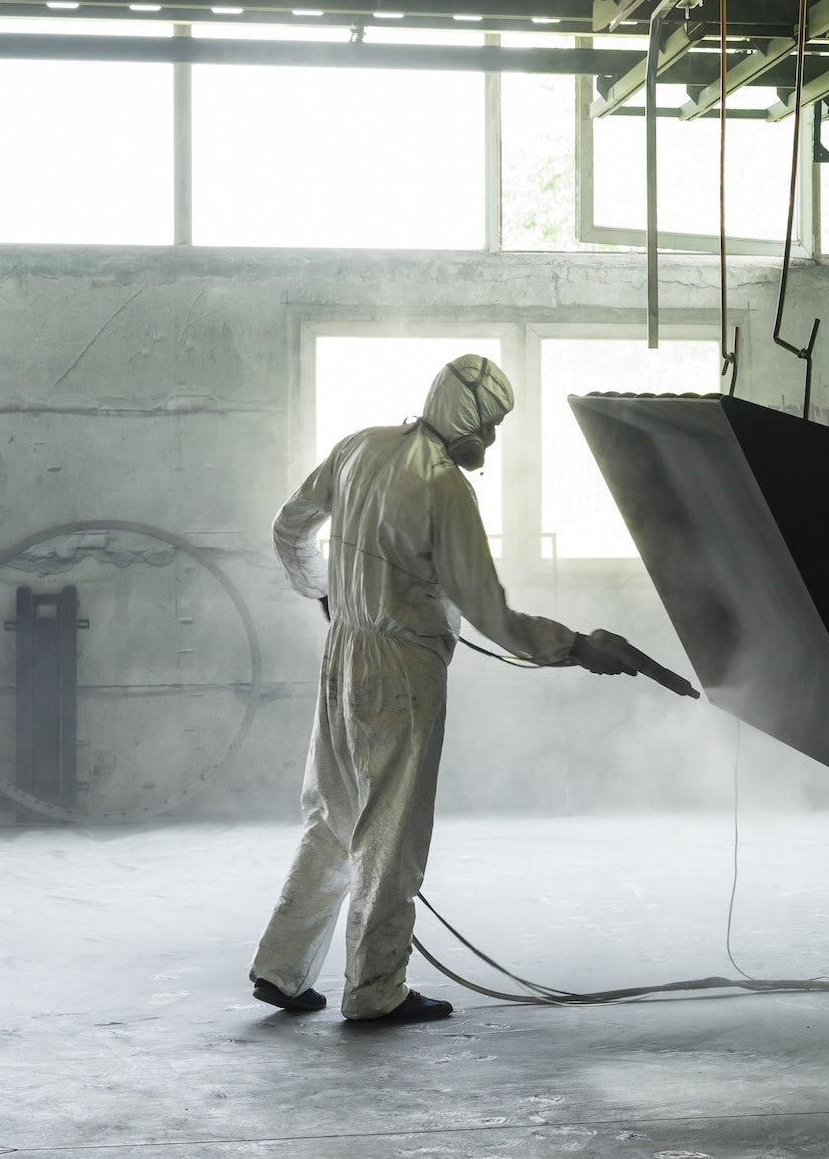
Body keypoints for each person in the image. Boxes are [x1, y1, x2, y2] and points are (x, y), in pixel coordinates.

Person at [249, 354, 650, 1023]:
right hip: (402, 670)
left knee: (334, 816)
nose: (490, 443)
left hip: (342, 652)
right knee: (391, 833)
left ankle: (281, 969)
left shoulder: (359, 447)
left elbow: (288, 526)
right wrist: (577, 646)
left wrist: (322, 589)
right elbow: (493, 614)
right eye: (488, 426)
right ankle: (376, 990)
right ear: (465, 417)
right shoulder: (443, 488)